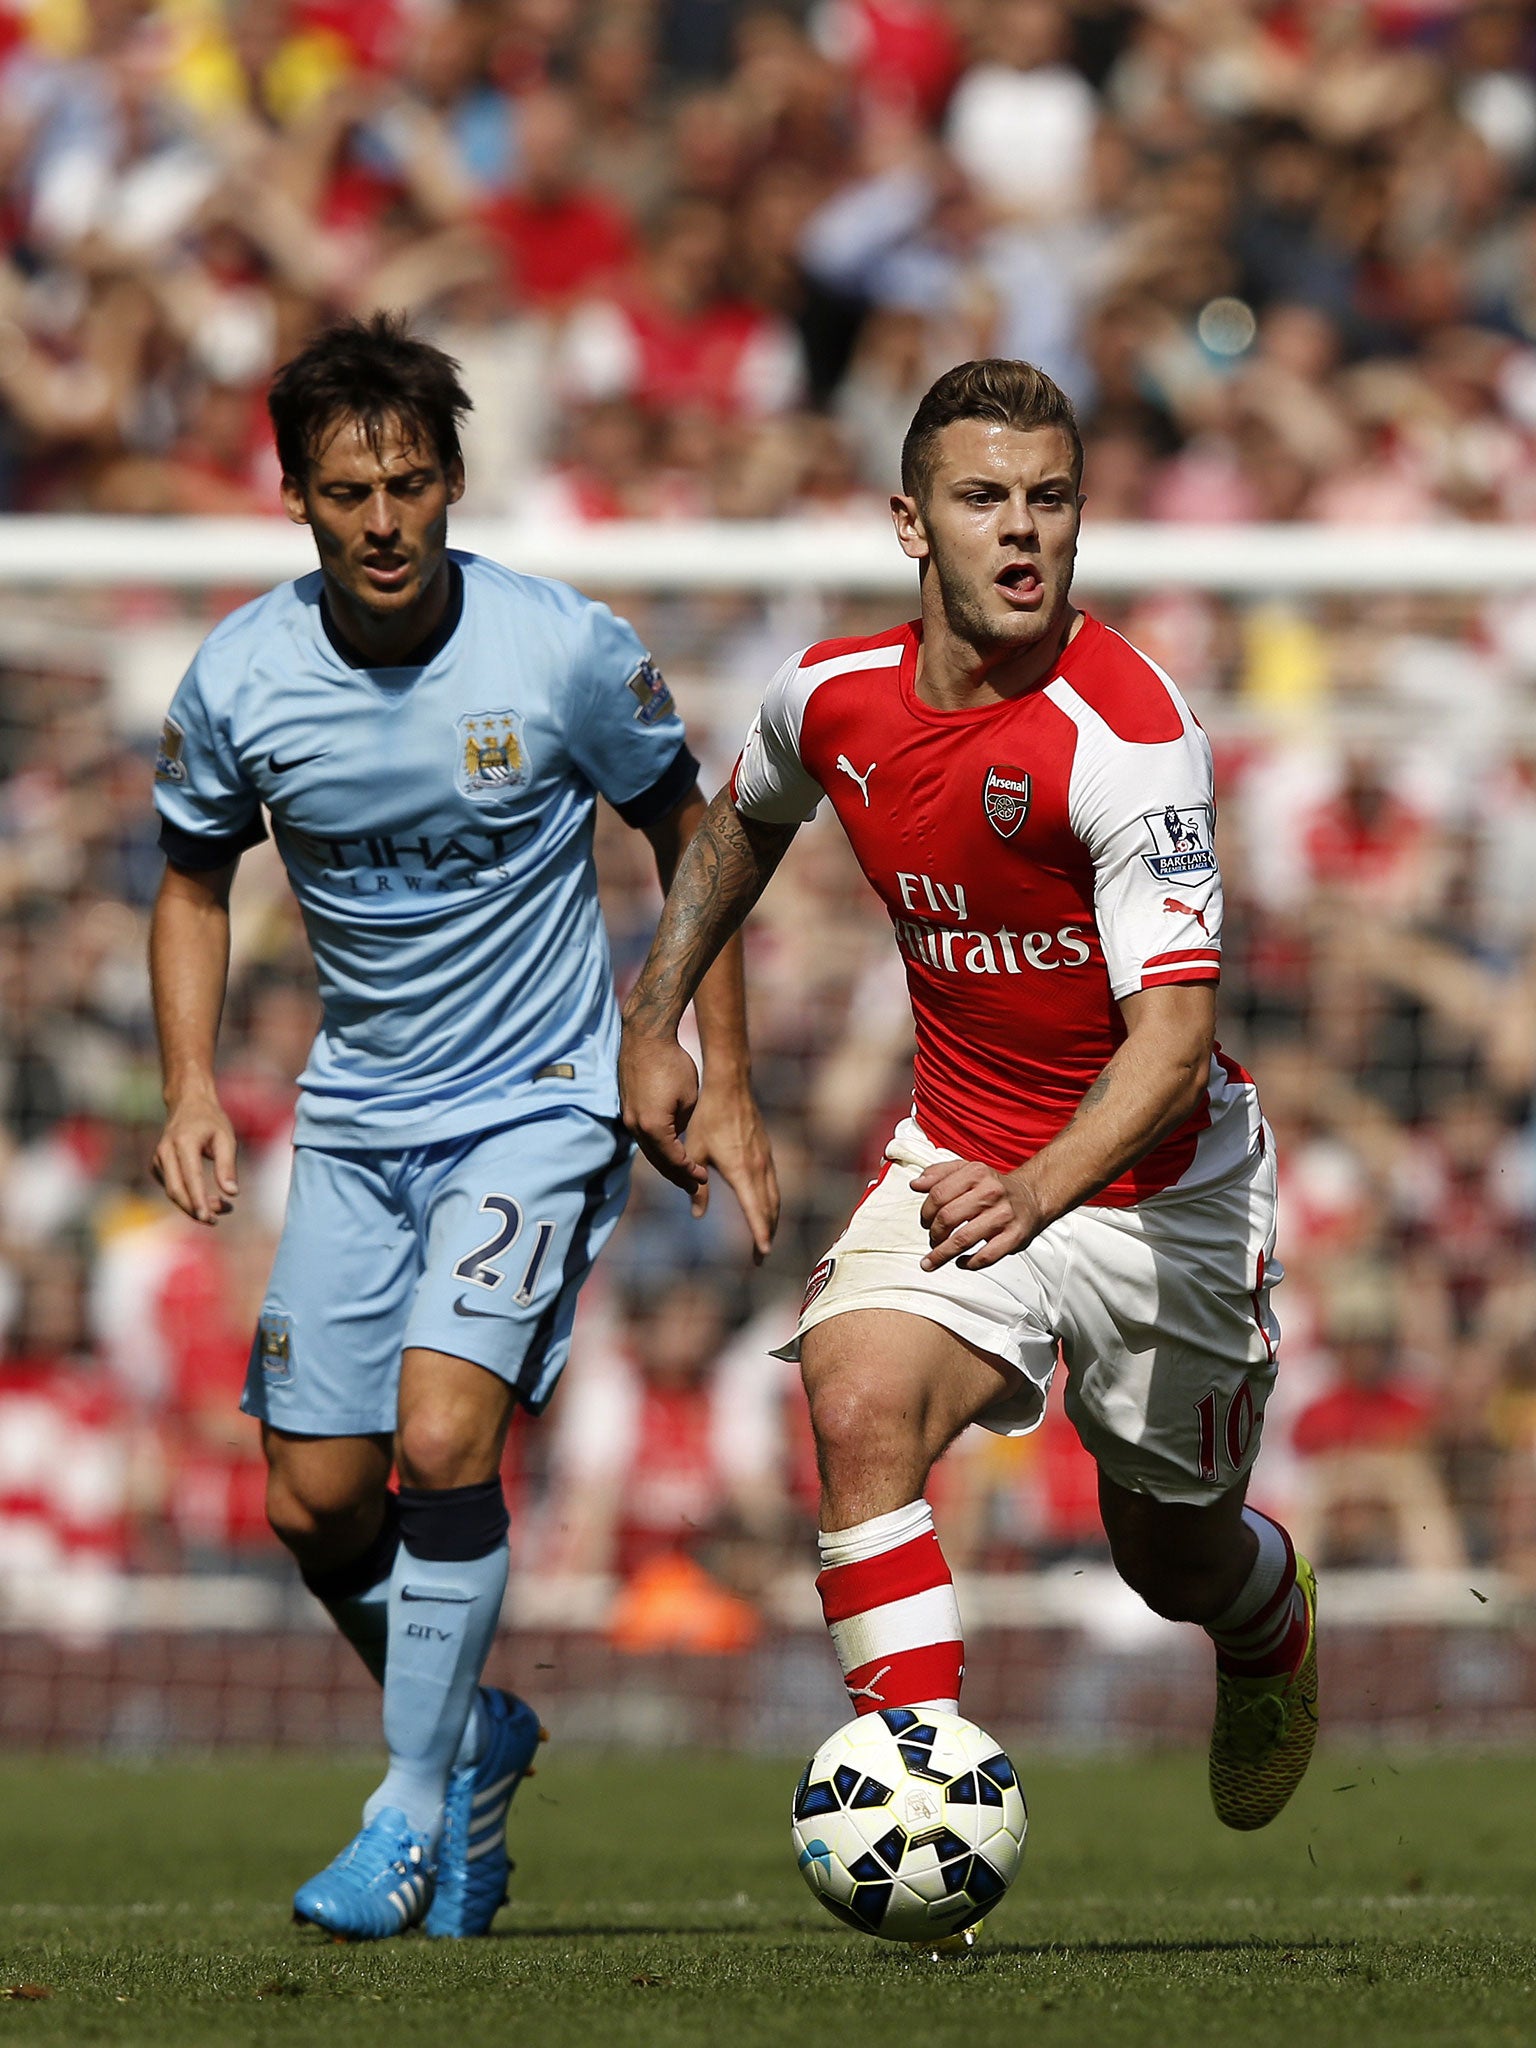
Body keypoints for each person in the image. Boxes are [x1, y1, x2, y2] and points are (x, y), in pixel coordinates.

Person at [619, 357, 1318, 1836]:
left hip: (1157, 1194)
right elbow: (740, 821)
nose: (1023, 533)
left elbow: (1172, 1043)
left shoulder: (1125, 735)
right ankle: (918, 1806)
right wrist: (657, 1018)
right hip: (962, 1148)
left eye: (1051, 500)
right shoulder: (833, 697)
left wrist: (1038, 1189)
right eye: (984, 498)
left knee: (1163, 1557)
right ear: (909, 523)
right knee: (856, 1390)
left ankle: (1269, 1624)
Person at [148, 312, 775, 1940]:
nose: (383, 520)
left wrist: (685, 1050)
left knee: (441, 1444)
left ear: (453, 484)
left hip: (540, 1104)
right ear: (294, 496)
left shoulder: (559, 650)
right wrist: (186, 1087)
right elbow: (193, 878)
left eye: (412, 484)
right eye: (349, 490)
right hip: (358, 1117)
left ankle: (406, 1813)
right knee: (310, 1500)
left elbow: (694, 833)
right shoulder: (240, 676)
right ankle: (470, 1731)